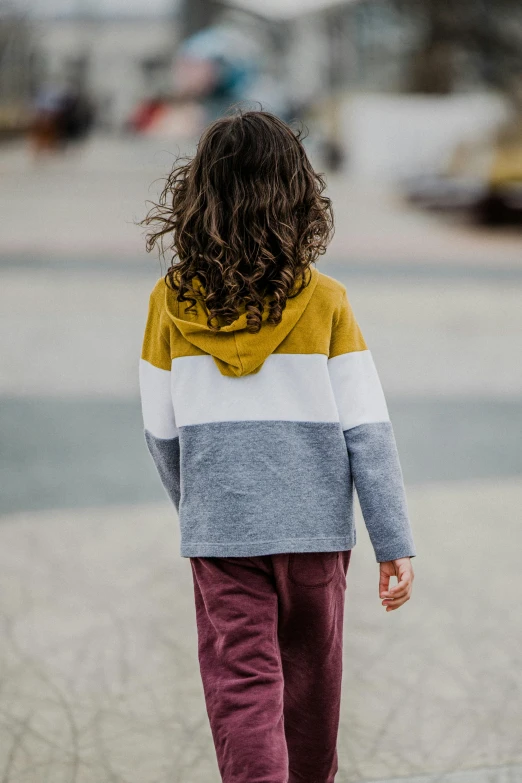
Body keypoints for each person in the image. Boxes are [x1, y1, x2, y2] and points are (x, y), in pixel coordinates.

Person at [139, 109, 416, 783]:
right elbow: (368, 433)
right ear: (299, 199)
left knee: (243, 687)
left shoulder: (168, 303)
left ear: (197, 199)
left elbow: (161, 433)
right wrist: (394, 541)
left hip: (223, 533)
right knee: (311, 687)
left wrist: (201, 506)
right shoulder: (327, 301)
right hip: (315, 533)